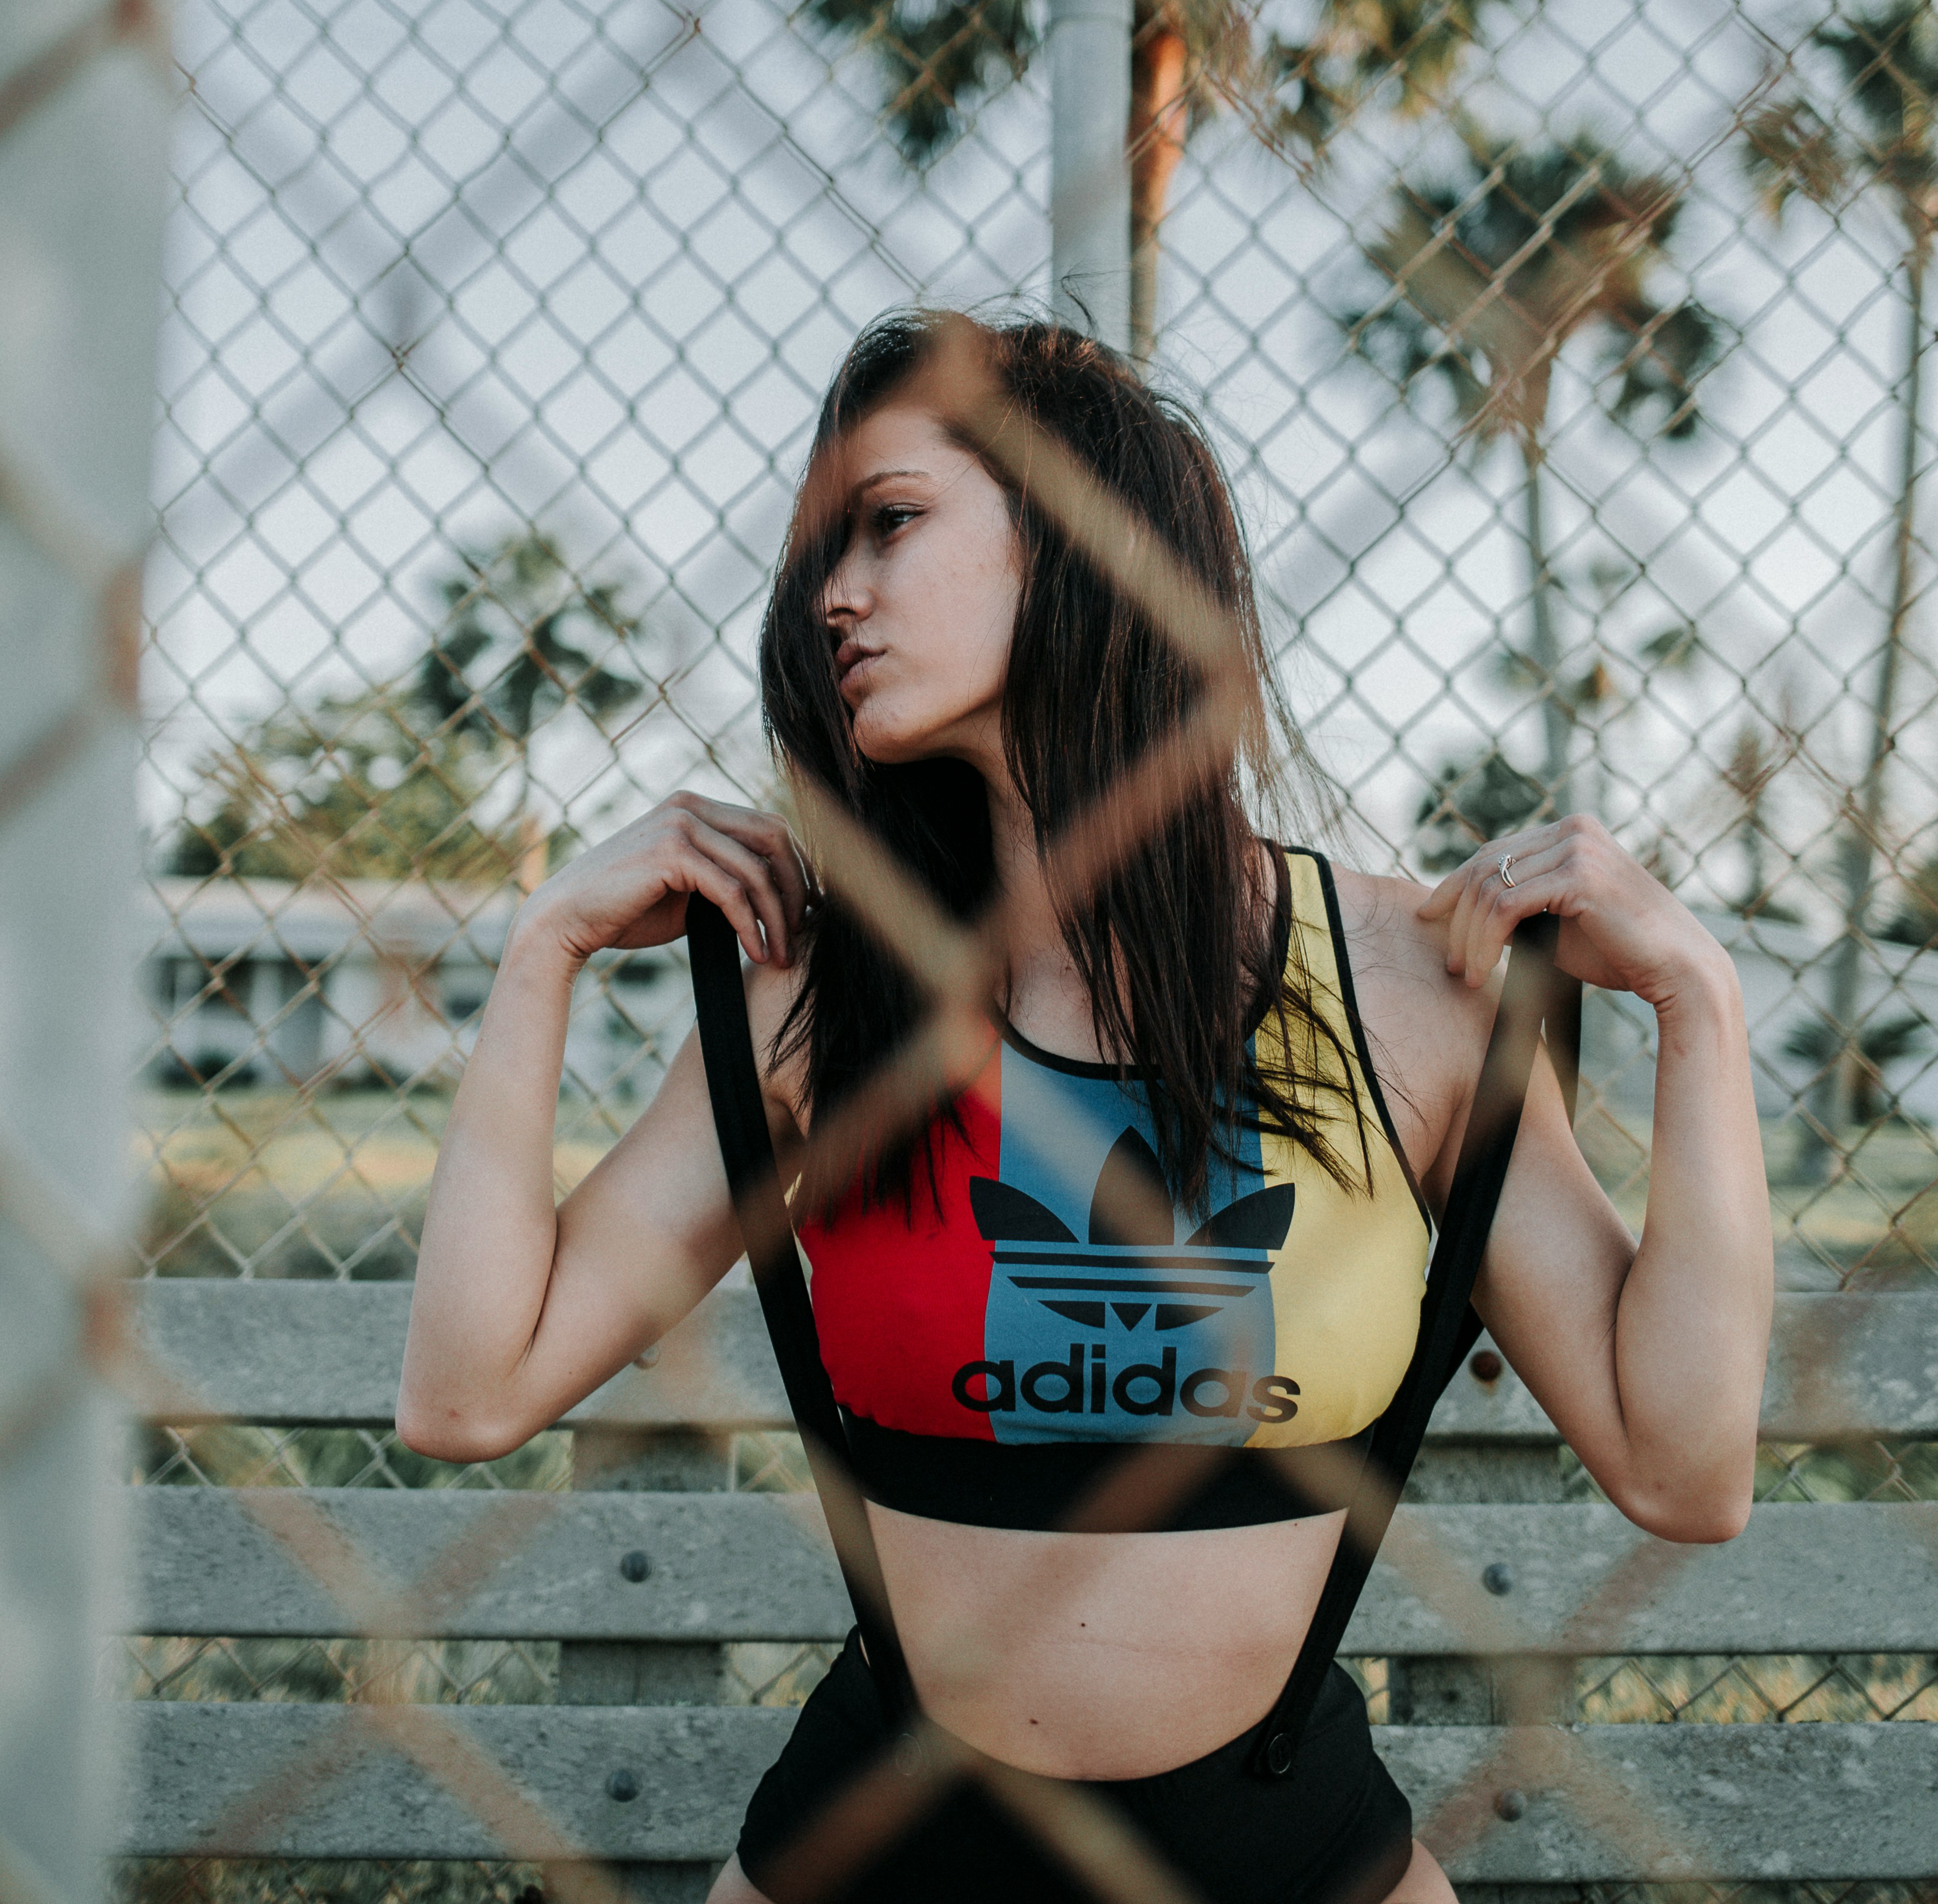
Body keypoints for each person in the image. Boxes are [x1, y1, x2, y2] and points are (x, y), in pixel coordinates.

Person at [398, 313, 1773, 1904]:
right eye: (822, 552)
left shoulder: (1409, 988)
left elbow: (1686, 1474)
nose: (834, 594)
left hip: (1284, 1850)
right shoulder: (820, 1001)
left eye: (892, 522)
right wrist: (539, 953)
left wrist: (1702, 1005)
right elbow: (468, 1396)